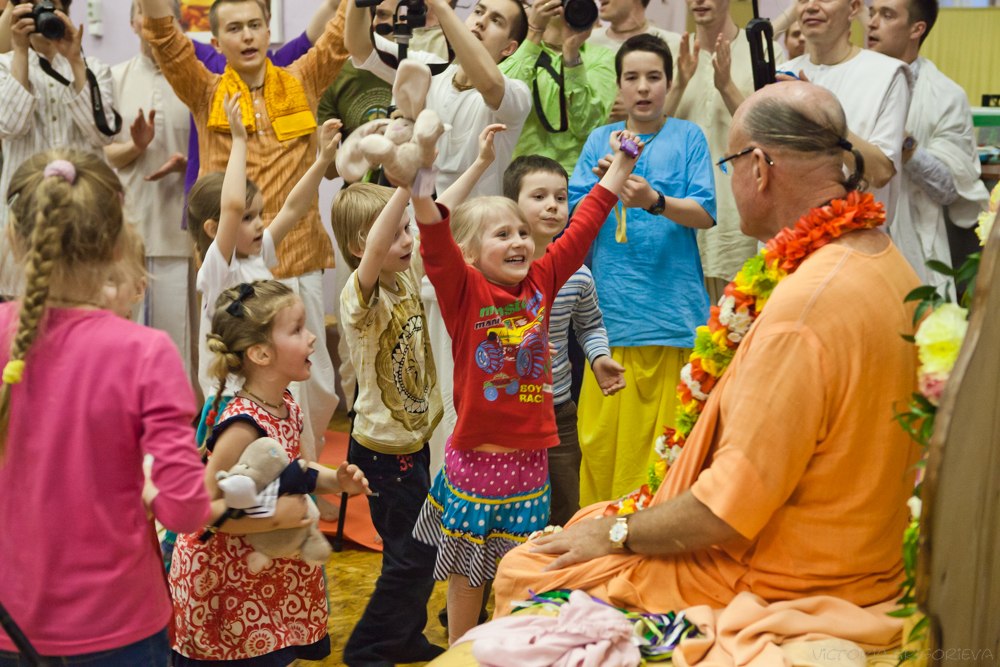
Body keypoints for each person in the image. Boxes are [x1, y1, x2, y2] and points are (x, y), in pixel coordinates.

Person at [493, 81, 922, 661]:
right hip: (862, 550)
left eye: (730, 164)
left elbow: (726, 510)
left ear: (759, 169)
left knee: (530, 568)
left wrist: (615, 535)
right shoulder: (883, 260)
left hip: (783, 572)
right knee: (589, 518)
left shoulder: (805, 307)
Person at [409, 122, 641, 644]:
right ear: (468, 255)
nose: (519, 241)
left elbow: (584, 226)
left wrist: (622, 166)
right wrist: (422, 172)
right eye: (503, 234)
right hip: (477, 463)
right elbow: (433, 235)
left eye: (521, 232)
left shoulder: (543, 278)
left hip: (529, 465)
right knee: (469, 577)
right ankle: (461, 652)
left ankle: (511, 647)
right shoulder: (464, 290)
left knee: (522, 570)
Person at [0, 150, 210, 665]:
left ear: (15, 239)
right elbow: (185, 511)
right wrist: (147, 484)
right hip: (118, 626)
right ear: (118, 245)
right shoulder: (145, 352)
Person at [140, 0, 348, 462]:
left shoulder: (301, 78)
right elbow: (164, 36)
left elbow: (339, 36)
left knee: (316, 388)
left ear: (269, 30)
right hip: (237, 278)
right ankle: (243, 487)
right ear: (217, 42)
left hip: (299, 260)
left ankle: (302, 475)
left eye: (256, 25)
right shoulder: (205, 89)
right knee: (234, 391)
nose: (248, 36)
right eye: (235, 28)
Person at [169, 279, 371, 665]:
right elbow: (203, 510)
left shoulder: (286, 403)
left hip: (263, 578)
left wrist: (334, 481)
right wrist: (276, 517)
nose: (312, 338)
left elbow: (289, 467)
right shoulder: (242, 425)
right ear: (261, 353)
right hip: (226, 583)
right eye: (297, 330)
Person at [570, 34, 716, 506]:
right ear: (619, 86)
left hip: (675, 318)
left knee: (672, 453)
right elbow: (575, 220)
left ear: (669, 83)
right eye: (632, 77)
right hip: (610, 322)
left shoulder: (688, 136)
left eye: (654, 77)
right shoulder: (599, 141)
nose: (643, 87)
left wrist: (654, 200)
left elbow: (705, 212)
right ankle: (601, 544)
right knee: (602, 448)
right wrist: (605, 186)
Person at [331, 181, 445, 665]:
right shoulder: (361, 295)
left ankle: (404, 635)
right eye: (396, 233)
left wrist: (472, 164)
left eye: (407, 230)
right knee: (409, 556)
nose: (408, 240)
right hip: (381, 454)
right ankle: (368, 648)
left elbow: (441, 211)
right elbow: (379, 245)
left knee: (422, 551)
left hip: (411, 444)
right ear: (362, 246)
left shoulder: (405, 276)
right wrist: (401, 183)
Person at [188, 94, 341, 446]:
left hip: (265, 390)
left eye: (258, 214)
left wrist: (321, 161)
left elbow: (291, 208)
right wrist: (240, 139)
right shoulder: (218, 270)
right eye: (247, 218)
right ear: (214, 229)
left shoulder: (257, 256)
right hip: (231, 401)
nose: (258, 225)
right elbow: (231, 205)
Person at [502, 155, 625, 525]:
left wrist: (599, 357)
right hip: (505, 415)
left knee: (564, 509)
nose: (553, 205)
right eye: (539, 196)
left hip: (558, 412)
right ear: (512, 206)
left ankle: (552, 583)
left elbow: (589, 325)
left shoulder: (579, 276)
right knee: (506, 515)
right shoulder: (495, 274)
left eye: (561, 197)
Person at [345, 0, 532, 197]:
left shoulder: (518, 94)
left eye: (496, 21)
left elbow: (490, 84)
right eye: (478, 11)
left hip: (473, 223)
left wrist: (439, 6)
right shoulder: (428, 70)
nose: (480, 22)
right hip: (416, 218)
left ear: (509, 48)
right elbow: (360, 47)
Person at [867, 0, 989, 292]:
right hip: (850, 236)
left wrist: (905, 143)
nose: (872, 23)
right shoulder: (852, 79)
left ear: (916, 29)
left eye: (887, 15)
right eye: (871, 12)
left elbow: (950, 189)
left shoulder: (946, 95)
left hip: (914, 246)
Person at [0, 0, 118, 298]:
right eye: (33, 9)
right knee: (22, 312)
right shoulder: (3, 67)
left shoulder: (96, 70)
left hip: (85, 215)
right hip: (24, 218)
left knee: (84, 305)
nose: (41, 18)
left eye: (49, 7)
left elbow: (102, 135)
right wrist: (20, 51)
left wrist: (76, 61)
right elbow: (10, 124)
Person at [107, 0, 196, 375]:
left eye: (163, 18)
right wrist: (136, 146)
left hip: (182, 228)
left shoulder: (194, 79)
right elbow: (107, 152)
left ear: (177, 25)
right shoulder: (112, 78)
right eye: (143, 16)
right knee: (122, 331)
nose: (152, 24)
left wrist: (188, 165)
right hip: (129, 225)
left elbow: (216, 147)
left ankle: (182, 420)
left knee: (177, 336)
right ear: (132, 24)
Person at [668, 0, 771, 303]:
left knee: (736, 329)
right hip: (679, 213)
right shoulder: (674, 51)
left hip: (737, 217)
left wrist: (726, 86)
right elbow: (650, 132)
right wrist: (678, 83)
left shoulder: (759, 51)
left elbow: (767, 135)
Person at [780, 0, 910, 226]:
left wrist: (823, 120)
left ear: (853, 8)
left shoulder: (887, 74)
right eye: (802, 0)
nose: (811, 6)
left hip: (854, 240)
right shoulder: (781, 75)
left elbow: (880, 173)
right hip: (787, 237)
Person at [498, 0, 617, 176]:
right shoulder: (511, 47)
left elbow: (588, 126)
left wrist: (571, 53)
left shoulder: (601, 58)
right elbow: (500, 99)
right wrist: (534, 32)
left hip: (573, 181)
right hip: (516, 177)